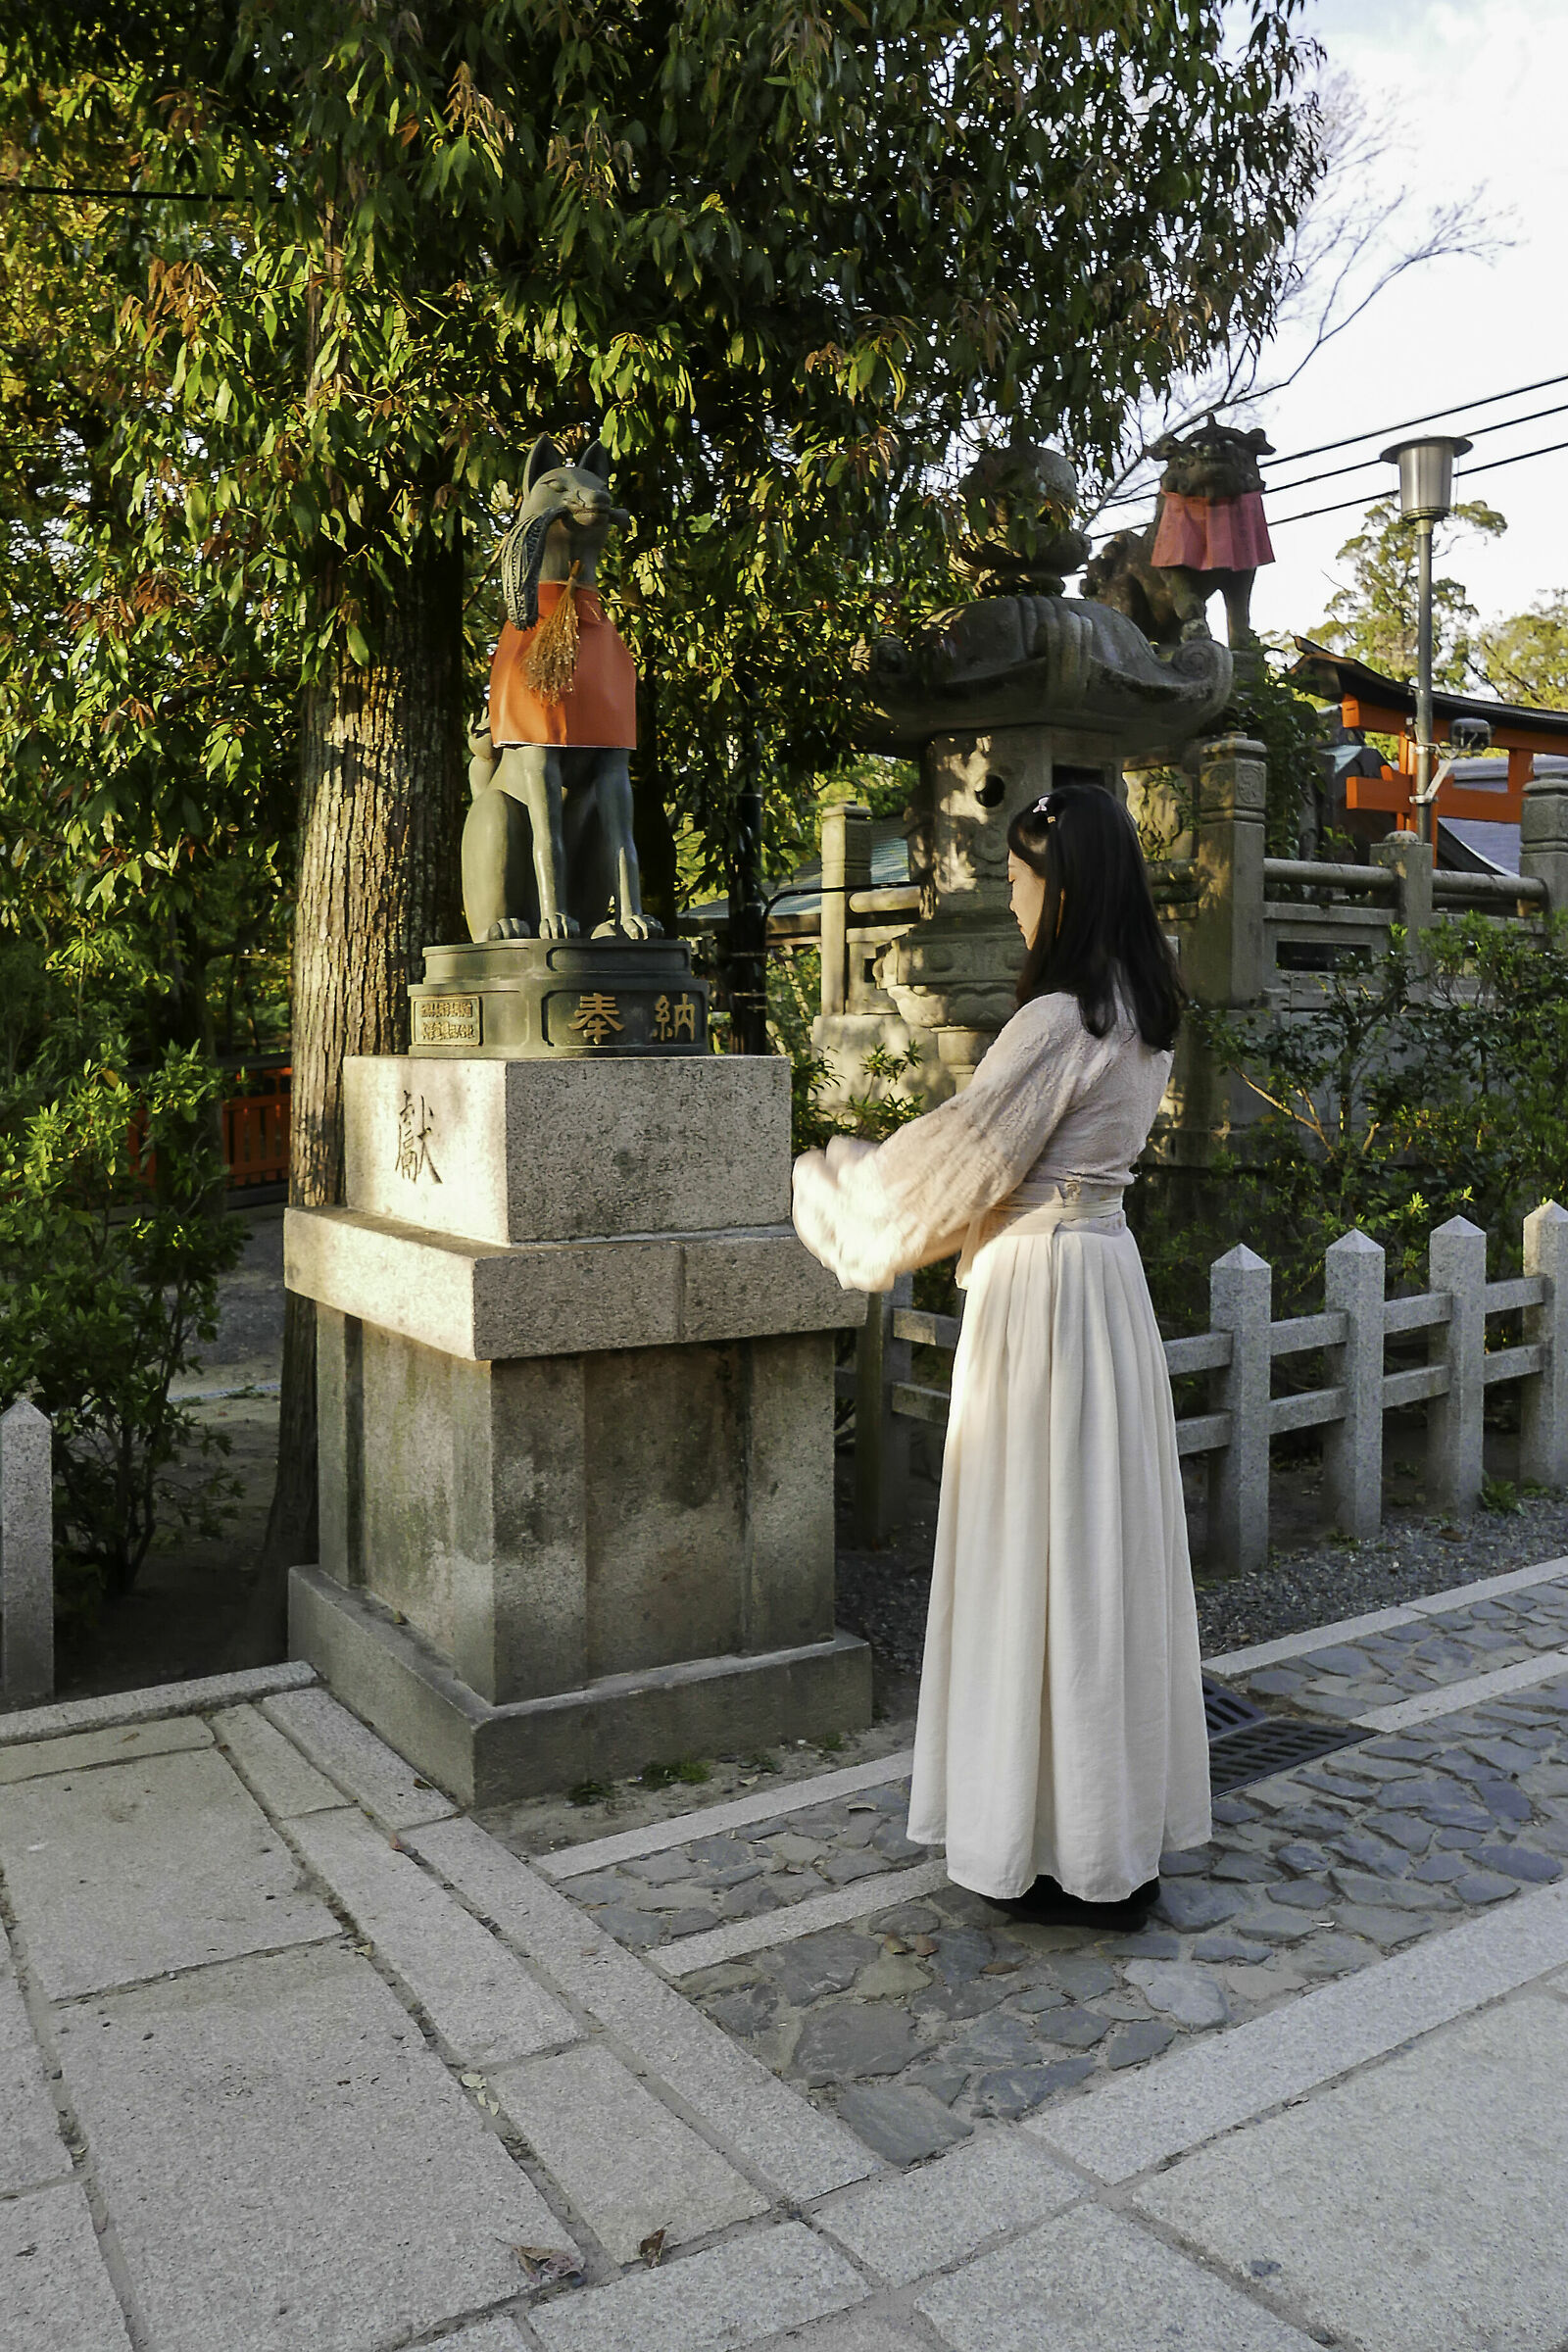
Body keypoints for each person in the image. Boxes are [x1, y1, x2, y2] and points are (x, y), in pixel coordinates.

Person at [791, 783, 1210, 1929]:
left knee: (1036, 1546)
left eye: (1022, 879)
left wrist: (837, 1193)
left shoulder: (1059, 1018)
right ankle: (1106, 1831)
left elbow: (960, 1165)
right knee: (1097, 1552)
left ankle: (1039, 1846)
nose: (1015, 899)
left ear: (1060, 886)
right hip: (1104, 1279)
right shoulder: (1142, 1007)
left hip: (1039, 1291)